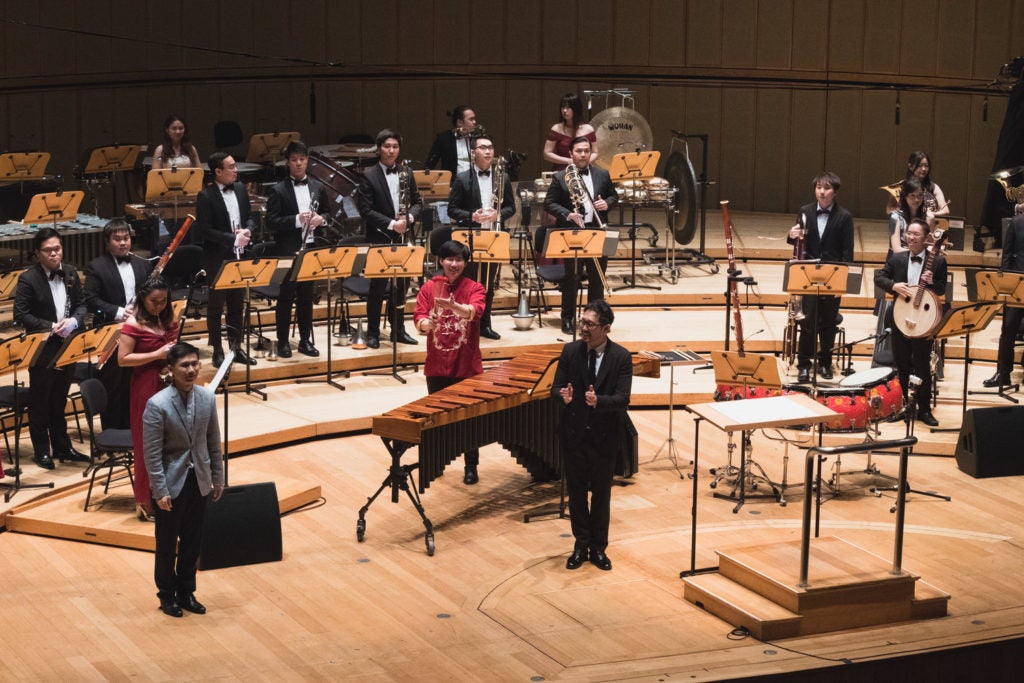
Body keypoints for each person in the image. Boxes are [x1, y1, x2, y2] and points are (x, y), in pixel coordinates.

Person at [142, 342, 224, 618]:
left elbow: (213, 441)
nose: (191, 370)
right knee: (167, 544)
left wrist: (218, 477)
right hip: (171, 483)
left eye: (194, 364)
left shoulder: (207, 398)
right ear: (171, 369)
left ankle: (186, 591)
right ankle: (166, 595)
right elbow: (152, 453)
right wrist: (159, 490)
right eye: (184, 365)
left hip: (199, 479)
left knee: (193, 541)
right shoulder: (157, 404)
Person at [551, 299, 632, 571]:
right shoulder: (570, 351)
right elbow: (556, 388)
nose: (583, 328)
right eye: (582, 321)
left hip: (604, 438)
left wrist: (599, 402)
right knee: (576, 495)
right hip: (574, 435)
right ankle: (580, 545)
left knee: (600, 496)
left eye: (590, 324)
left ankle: (598, 548)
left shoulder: (621, 357)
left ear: (606, 328)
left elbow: (623, 398)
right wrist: (562, 395)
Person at [13, 228, 89, 470]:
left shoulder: (70, 272)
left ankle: (62, 446)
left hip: (68, 345)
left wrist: (74, 321)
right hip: (42, 347)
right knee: (41, 401)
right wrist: (52, 326)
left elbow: (81, 305)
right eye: (48, 250)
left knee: (59, 398)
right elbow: (21, 314)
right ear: (38, 253)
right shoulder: (28, 279)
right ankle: (41, 451)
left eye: (57, 249)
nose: (54, 254)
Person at [413, 240, 487, 484]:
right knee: (436, 419)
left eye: (459, 260)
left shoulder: (475, 287)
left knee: (469, 420)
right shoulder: (429, 288)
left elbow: (475, 310)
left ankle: (471, 466)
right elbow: (419, 317)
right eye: (449, 259)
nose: (454, 264)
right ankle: (436, 462)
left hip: (466, 366)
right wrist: (428, 324)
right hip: (436, 365)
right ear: (440, 261)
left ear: (465, 263)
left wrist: (456, 307)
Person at [542, 136, 618, 334]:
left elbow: (614, 196)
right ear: (571, 153)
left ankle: (595, 320)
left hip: (596, 231)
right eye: (578, 151)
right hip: (573, 233)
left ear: (590, 153)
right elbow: (549, 203)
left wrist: (607, 203)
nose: (583, 154)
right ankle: (567, 319)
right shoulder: (560, 177)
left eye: (586, 150)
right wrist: (567, 214)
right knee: (571, 278)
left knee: (597, 279)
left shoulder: (602, 174)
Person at [875, 219, 947, 427]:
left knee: (922, 365)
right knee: (901, 364)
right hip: (901, 316)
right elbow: (879, 277)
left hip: (924, 318)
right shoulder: (897, 258)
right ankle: (902, 406)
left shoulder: (938, 262)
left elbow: (942, 289)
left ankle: (924, 409)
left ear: (926, 238)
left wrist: (932, 282)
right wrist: (894, 286)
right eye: (909, 233)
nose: (910, 237)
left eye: (916, 234)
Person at [118, 276, 179, 521]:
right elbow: (123, 359)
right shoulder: (133, 323)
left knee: (172, 441)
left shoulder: (168, 319)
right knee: (148, 444)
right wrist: (157, 354)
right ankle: (145, 499)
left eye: (164, 301)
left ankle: (170, 493)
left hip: (171, 384)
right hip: (146, 387)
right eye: (154, 301)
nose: (159, 306)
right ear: (143, 299)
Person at [355, 129, 423, 349]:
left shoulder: (406, 172)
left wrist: (409, 218)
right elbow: (365, 210)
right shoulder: (369, 176)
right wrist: (393, 224)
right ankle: (373, 332)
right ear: (379, 149)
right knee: (378, 288)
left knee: (401, 287)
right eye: (387, 146)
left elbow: (417, 202)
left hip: (404, 236)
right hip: (381, 237)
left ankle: (398, 330)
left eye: (395, 146)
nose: (391, 150)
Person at [445, 133, 516, 340]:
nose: (487, 151)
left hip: (493, 236)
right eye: (483, 148)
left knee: (488, 284)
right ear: (473, 152)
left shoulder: (502, 177)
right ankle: (465, 325)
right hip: (470, 238)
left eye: (490, 147)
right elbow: (452, 209)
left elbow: (511, 207)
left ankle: (485, 325)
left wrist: (498, 214)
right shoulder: (462, 178)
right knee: (468, 282)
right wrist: (471, 216)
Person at [83, 218, 153, 430]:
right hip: (111, 334)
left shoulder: (143, 264)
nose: (123, 243)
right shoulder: (96, 266)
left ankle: (135, 432)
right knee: (113, 386)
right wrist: (120, 311)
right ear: (107, 242)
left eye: (126, 238)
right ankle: (112, 434)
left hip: (139, 331)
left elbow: (151, 294)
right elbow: (90, 300)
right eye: (117, 239)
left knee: (136, 383)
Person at [787, 171, 855, 383]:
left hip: (832, 276)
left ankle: (825, 362)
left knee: (828, 323)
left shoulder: (844, 216)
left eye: (826, 188)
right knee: (807, 322)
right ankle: (804, 365)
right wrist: (791, 235)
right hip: (808, 274)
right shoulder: (805, 211)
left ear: (835, 191)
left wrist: (842, 283)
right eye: (818, 187)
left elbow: (848, 252)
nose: (822, 192)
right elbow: (798, 241)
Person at [265, 140, 329, 358]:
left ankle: (304, 340)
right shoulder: (278, 190)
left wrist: (321, 220)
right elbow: (271, 222)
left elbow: (328, 214)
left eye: (302, 159)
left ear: (307, 161)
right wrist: (296, 220)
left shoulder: (318, 187)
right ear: (287, 162)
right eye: (294, 160)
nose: (299, 163)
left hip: (310, 249)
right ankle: (283, 341)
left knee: (306, 297)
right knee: (285, 298)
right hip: (287, 250)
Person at [195, 151, 256, 367]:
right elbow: (205, 230)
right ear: (218, 171)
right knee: (216, 306)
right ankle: (217, 349)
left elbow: (250, 217)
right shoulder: (205, 196)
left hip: (239, 256)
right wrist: (232, 238)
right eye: (231, 167)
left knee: (236, 305)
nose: (236, 170)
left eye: (235, 165)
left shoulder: (240, 189)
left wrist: (248, 230)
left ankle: (235, 347)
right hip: (217, 257)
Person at [983, 212, 1024, 388]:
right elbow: (1007, 256)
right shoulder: (1017, 222)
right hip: (1016, 285)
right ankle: (1003, 373)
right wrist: (1006, 284)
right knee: (1008, 330)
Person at [543, 93, 598, 170]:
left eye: (568, 107)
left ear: (576, 109)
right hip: (562, 171)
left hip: (583, 170)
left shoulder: (588, 129)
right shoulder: (556, 128)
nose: (564, 110)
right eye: (563, 107)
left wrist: (583, 163)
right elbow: (547, 154)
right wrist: (569, 161)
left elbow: (595, 153)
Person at [425, 105, 479, 178]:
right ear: (459, 122)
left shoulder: (478, 138)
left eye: (474, 119)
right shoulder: (443, 139)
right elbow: (430, 163)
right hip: (452, 182)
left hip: (474, 181)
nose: (474, 122)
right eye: (471, 119)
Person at [888, 177, 927, 254]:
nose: (916, 199)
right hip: (899, 258)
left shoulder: (927, 216)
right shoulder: (895, 217)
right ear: (905, 196)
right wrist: (920, 251)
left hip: (920, 257)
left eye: (920, 195)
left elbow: (928, 245)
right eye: (912, 195)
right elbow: (896, 249)